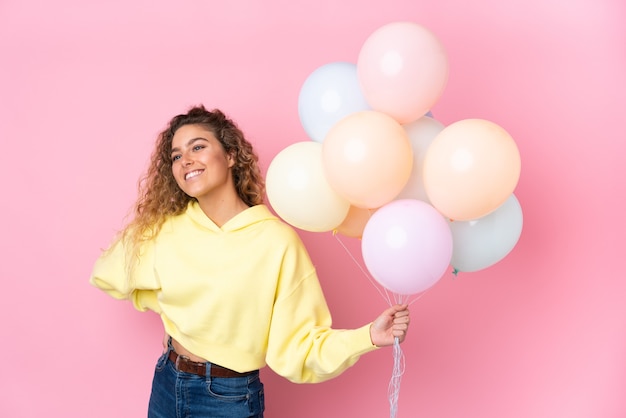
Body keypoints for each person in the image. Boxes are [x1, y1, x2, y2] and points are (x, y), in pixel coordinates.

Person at [90, 105, 410, 418]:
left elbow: (300, 345)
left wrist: (368, 336)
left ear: (230, 155)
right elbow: (112, 270)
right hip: (167, 381)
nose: (185, 160)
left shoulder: (275, 242)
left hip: (228, 399)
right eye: (176, 156)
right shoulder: (165, 226)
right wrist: (170, 315)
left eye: (197, 147)